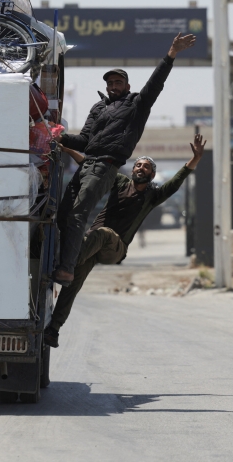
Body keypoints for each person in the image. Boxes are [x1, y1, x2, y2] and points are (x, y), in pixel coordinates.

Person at [52, 32, 197, 285]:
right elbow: (84, 140)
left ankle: (66, 268)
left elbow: (156, 83)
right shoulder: (98, 108)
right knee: (63, 215)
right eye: (110, 83)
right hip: (86, 166)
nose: (113, 86)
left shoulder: (136, 104)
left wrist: (171, 54)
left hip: (104, 167)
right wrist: (59, 138)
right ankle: (56, 259)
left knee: (77, 215)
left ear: (127, 86)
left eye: (118, 82)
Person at [45, 134, 207, 348]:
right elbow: (90, 165)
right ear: (132, 170)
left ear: (152, 174)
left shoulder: (153, 195)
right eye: (138, 165)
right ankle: (53, 330)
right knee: (72, 285)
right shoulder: (119, 182)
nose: (141, 168)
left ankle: (64, 266)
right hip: (93, 244)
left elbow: (176, 182)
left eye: (146, 167)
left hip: (115, 247)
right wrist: (67, 151)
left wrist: (194, 159)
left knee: (102, 234)